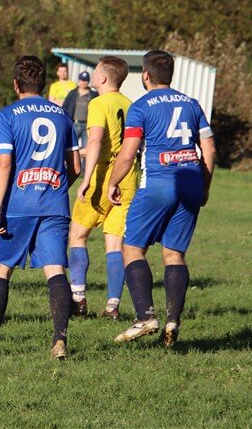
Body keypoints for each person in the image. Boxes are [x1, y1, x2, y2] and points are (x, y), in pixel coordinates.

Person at [0, 56, 81, 360]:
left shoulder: (8, 115)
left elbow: (4, 163)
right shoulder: (61, 114)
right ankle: (59, 340)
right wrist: (56, 187)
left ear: (16, 84)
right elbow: (75, 166)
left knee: (1, 268)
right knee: (55, 270)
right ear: (43, 83)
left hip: (19, 204)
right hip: (54, 203)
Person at [107, 50, 215, 348]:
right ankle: (172, 322)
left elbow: (128, 153)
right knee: (174, 255)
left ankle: (146, 316)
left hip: (158, 182)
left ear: (145, 75)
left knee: (132, 248)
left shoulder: (141, 106)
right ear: (171, 75)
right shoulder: (192, 104)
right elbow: (210, 149)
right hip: (191, 182)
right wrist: (204, 187)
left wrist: (113, 183)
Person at [69, 56, 135, 320]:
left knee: (77, 235)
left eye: (95, 72)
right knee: (115, 244)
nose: (92, 76)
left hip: (102, 177)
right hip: (127, 178)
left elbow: (96, 140)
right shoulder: (130, 105)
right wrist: (78, 152)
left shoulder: (99, 103)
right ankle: (112, 306)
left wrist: (86, 179)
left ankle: (79, 299)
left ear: (104, 78)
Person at [62, 70, 98, 159]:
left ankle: (85, 169)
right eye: (82, 80)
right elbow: (65, 107)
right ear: (79, 80)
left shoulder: (93, 94)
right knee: (71, 147)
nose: (83, 82)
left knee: (88, 149)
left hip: (88, 125)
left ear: (88, 81)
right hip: (74, 123)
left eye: (85, 80)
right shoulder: (73, 93)